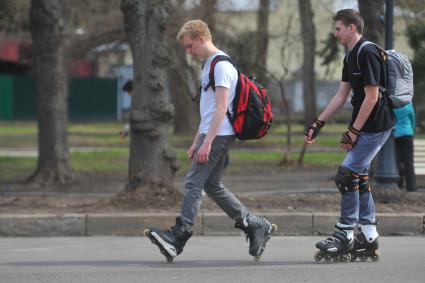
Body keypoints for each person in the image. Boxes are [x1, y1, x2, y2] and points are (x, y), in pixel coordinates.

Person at [145, 20, 275, 262]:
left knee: (193, 182)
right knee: (212, 185)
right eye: (185, 47)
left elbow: (223, 108)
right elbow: (209, 110)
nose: (188, 51)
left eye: (189, 46)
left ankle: (178, 237)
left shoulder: (221, 66)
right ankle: (254, 224)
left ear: (202, 38)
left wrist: (207, 143)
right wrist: (197, 140)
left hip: (220, 134)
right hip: (212, 132)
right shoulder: (209, 66)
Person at [305, 9, 395, 262]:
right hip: (365, 124)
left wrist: (354, 130)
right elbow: (341, 95)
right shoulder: (350, 56)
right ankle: (368, 235)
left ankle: (344, 233)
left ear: (352, 28)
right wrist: (318, 123)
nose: (335, 34)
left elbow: (372, 96)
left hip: (376, 125)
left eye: (338, 29)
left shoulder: (367, 52)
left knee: (346, 175)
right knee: (358, 176)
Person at [394, 103, 416, 192]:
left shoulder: (393, 105)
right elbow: (413, 121)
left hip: (395, 134)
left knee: (397, 161)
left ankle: (398, 185)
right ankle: (411, 187)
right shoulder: (409, 105)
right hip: (407, 133)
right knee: (409, 161)